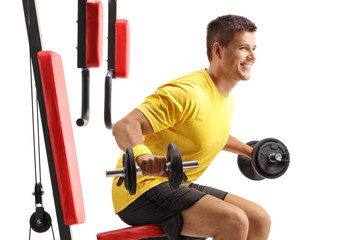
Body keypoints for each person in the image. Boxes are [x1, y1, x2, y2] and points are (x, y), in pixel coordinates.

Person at [111, 14, 271, 240]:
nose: (253, 56)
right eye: (244, 48)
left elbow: (211, 133)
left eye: (254, 48)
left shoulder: (224, 97)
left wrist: (250, 152)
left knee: (258, 218)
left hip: (176, 184)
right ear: (218, 51)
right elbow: (125, 125)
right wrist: (142, 157)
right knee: (233, 220)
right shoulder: (188, 92)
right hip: (140, 190)